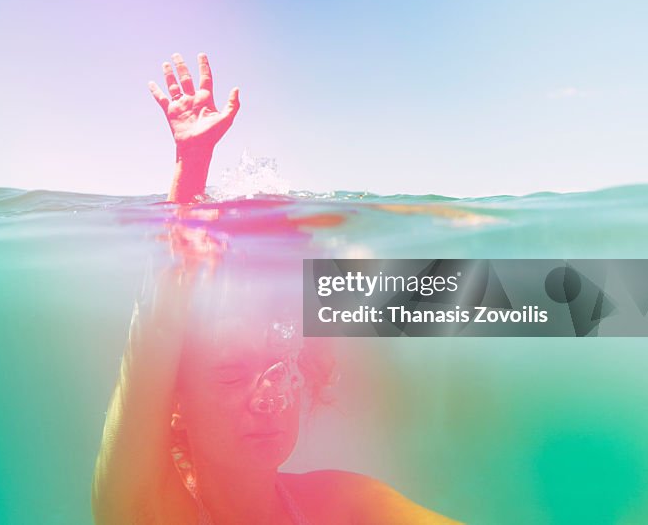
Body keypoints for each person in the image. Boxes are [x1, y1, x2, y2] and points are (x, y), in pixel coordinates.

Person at [91, 53, 461, 524]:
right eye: (229, 376)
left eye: (281, 369)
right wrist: (192, 165)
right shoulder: (147, 513)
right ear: (177, 406)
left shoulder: (338, 504)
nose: (268, 398)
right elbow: (157, 331)